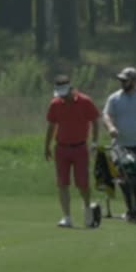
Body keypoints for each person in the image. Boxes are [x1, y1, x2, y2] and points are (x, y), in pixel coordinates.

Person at [44, 74, 102, 228]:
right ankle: (67, 217)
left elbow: (95, 121)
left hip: (80, 148)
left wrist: (95, 142)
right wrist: (46, 147)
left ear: (70, 89)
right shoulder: (55, 103)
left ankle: (88, 209)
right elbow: (51, 126)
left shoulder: (85, 101)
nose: (62, 98)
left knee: (83, 184)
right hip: (61, 148)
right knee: (62, 184)